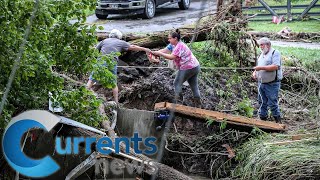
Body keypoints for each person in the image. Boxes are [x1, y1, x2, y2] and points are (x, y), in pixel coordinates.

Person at [87, 29, 150, 103]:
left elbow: (95, 52)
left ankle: (83, 96)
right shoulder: (120, 42)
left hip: (100, 61)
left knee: (91, 80)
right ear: (119, 36)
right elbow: (132, 47)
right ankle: (116, 102)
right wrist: (144, 49)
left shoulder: (104, 41)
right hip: (111, 62)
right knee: (113, 83)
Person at [151, 29, 201, 107]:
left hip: (188, 67)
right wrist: (154, 53)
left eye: (170, 38)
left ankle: (179, 104)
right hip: (195, 66)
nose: (168, 40)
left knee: (177, 83)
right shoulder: (172, 45)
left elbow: (171, 57)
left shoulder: (179, 46)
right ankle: (198, 105)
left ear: (175, 38)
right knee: (194, 86)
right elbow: (165, 50)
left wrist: (159, 53)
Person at [252, 37, 283, 123]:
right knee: (261, 101)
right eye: (260, 45)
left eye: (262, 45)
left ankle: (278, 121)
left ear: (268, 45)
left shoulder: (275, 53)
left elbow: (275, 66)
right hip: (261, 82)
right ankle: (263, 119)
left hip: (272, 83)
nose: (260, 46)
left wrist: (260, 68)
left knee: (272, 103)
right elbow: (259, 66)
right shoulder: (262, 54)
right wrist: (255, 72)